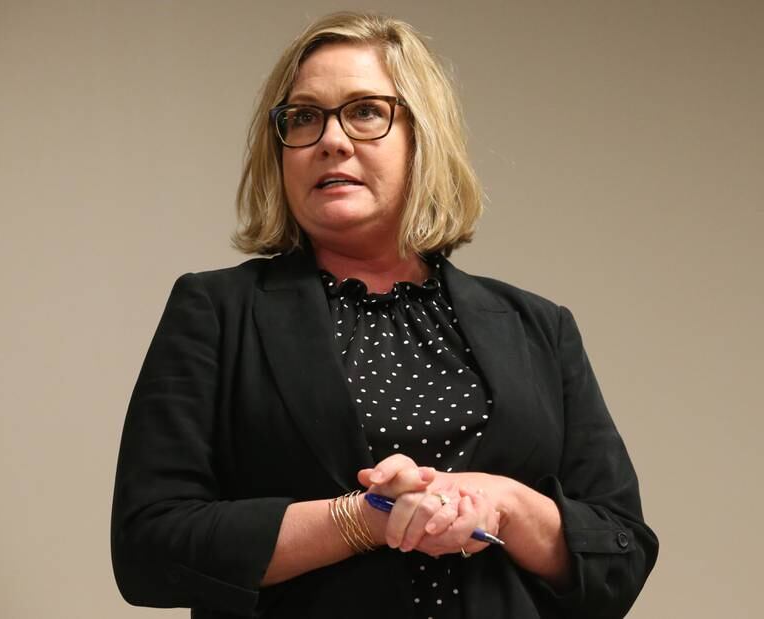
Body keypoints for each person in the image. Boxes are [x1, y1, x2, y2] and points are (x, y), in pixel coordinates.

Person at [110, 11, 658, 619]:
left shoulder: (539, 326)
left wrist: (500, 502)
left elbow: (621, 554)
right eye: (304, 117)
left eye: (366, 111)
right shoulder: (214, 311)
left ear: (423, 136)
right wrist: (362, 519)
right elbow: (148, 548)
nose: (331, 140)